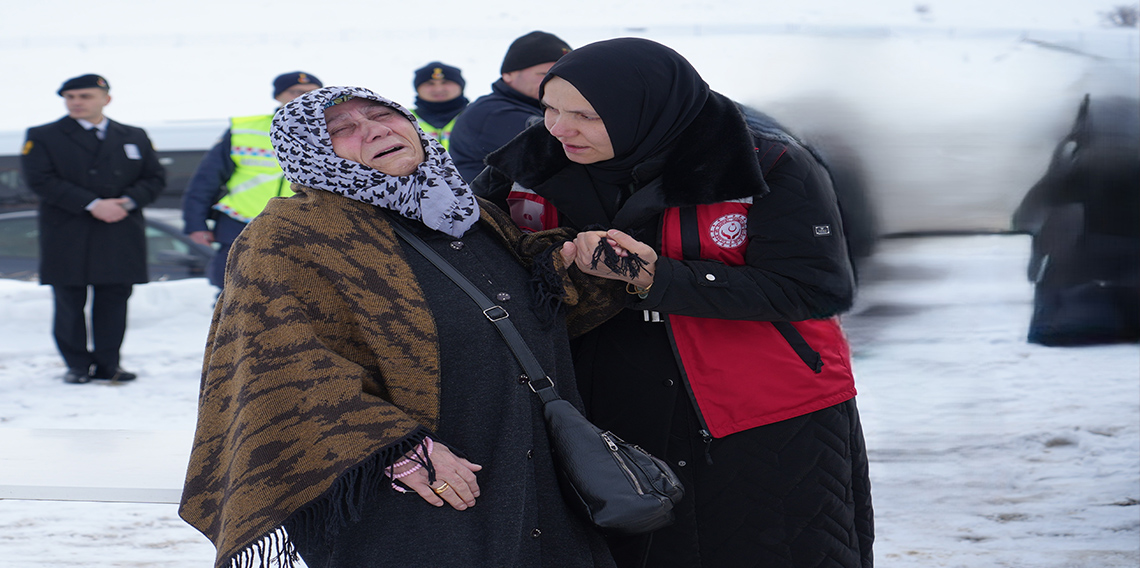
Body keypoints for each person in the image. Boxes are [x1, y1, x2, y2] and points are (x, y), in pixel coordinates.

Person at [178, 85, 623, 568]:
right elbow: (276, 367)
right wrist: (394, 448)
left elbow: (532, 316)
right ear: (309, 152)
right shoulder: (289, 236)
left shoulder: (465, 213)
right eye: (341, 129)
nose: (371, 130)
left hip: (530, 471)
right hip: (413, 496)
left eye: (380, 115)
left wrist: (582, 269)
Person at [473, 38, 874, 567]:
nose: (559, 128)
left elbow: (817, 289)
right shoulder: (530, 160)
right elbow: (474, 255)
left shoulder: (766, 163)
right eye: (549, 108)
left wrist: (652, 275)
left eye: (585, 115)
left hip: (755, 413)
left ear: (645, 110)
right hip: (593, 411)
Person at [20, 74, 166, 384]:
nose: (76, 102)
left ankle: (108, 365)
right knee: (70, 302)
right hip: (67, 232)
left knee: (114, 301)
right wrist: (93, 204)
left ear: (105, 99)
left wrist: (126, 202)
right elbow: (40, 180)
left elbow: (154, 178)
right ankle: (76, 365)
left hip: (119, 231)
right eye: (70, 97)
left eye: (84, 96)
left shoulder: (133, 135)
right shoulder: (44, 135)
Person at [180, 71, 323, 290]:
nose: (304, 97)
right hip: (242, 224)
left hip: (307, 229)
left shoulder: (333, 132)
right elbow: (206, 179)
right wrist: (195, 224)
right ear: (278, 96)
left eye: (313, 92)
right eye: (296, 92)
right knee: (234, 297)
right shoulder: (245, 130)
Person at [448, 30, 571, 181]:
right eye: (545, 74)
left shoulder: (542, 106)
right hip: (488, 204)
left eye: (565, 75)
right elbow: (564, 150)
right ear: (508, 74)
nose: (558, 83)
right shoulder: (492, 113)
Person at [410, 61, 468, 151]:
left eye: (445, 82)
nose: (438, 89)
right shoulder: (404, 119)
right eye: (430, 84)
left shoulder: (479, 116)